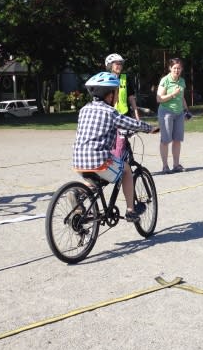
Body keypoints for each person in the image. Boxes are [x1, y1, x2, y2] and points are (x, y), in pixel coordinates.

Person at [73, 72, 155, 223]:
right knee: (126, 170)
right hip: (98, 160)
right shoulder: (110, 112)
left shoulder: (84, 109)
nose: (117, 96)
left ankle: (78, 191)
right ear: (109, 95)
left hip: (79, 160)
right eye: (116, 92)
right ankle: (131, 210)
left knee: (97, 178)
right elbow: (131, 123)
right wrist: (149, 128)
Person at [156, 57, 190, 174]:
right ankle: (165, 166)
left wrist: (186, 110)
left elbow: (182, 97)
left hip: (179, 113)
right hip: (166, 112)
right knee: (165, 140)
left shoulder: (182, 81)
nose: (177, 70)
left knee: (177, 140)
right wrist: (172, 94)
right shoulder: (165, 80)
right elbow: (159, 98)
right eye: (175, 68)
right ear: (170, 68)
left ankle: (176, 165)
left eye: (179, 68)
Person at [105, 53, 141, 120]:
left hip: (125, 115)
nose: (120, 66)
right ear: (110, 66)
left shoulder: (125, 78)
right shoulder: (106, 79)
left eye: (121, 64)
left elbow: (131, 98)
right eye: (117, 64)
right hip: (110, 115)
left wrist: (137, 116)